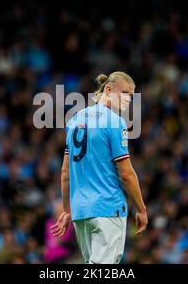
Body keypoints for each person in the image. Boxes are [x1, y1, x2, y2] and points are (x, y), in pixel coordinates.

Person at [51, 71, 148, 264]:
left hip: (80, 212)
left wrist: (67, 210)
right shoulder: (115, 123)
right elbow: (126, 174)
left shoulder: (74, 121)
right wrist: (141, 209)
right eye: (125, 92)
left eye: (131, 94)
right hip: (108, 207)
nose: (129, 99)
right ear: (109, 90)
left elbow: (65, 172)